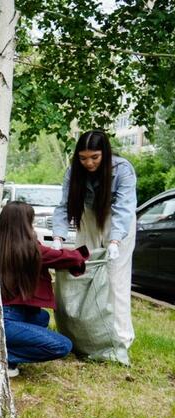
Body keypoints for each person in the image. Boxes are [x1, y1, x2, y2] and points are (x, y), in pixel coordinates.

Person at [51, 129, 137, 363]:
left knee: (114, 279)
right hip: (88, 218)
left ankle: (119, 342)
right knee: (82, 272)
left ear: (105, 154)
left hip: (117, 221)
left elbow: (125, 208)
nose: (88, 163)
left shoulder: (123, 170)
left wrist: (115, 240)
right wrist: (58, 237)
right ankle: (83, 336)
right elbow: (63, 206)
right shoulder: (73, 171)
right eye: (83, 158)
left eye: (94, 157)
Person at [0, 201, 89, 378]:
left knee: (42, 317)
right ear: (25, 224)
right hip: (6, 320)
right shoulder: (31, 250)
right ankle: (0, 357)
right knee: (62, 346)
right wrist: (89, 253)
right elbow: (68, 258)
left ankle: (0, 349)